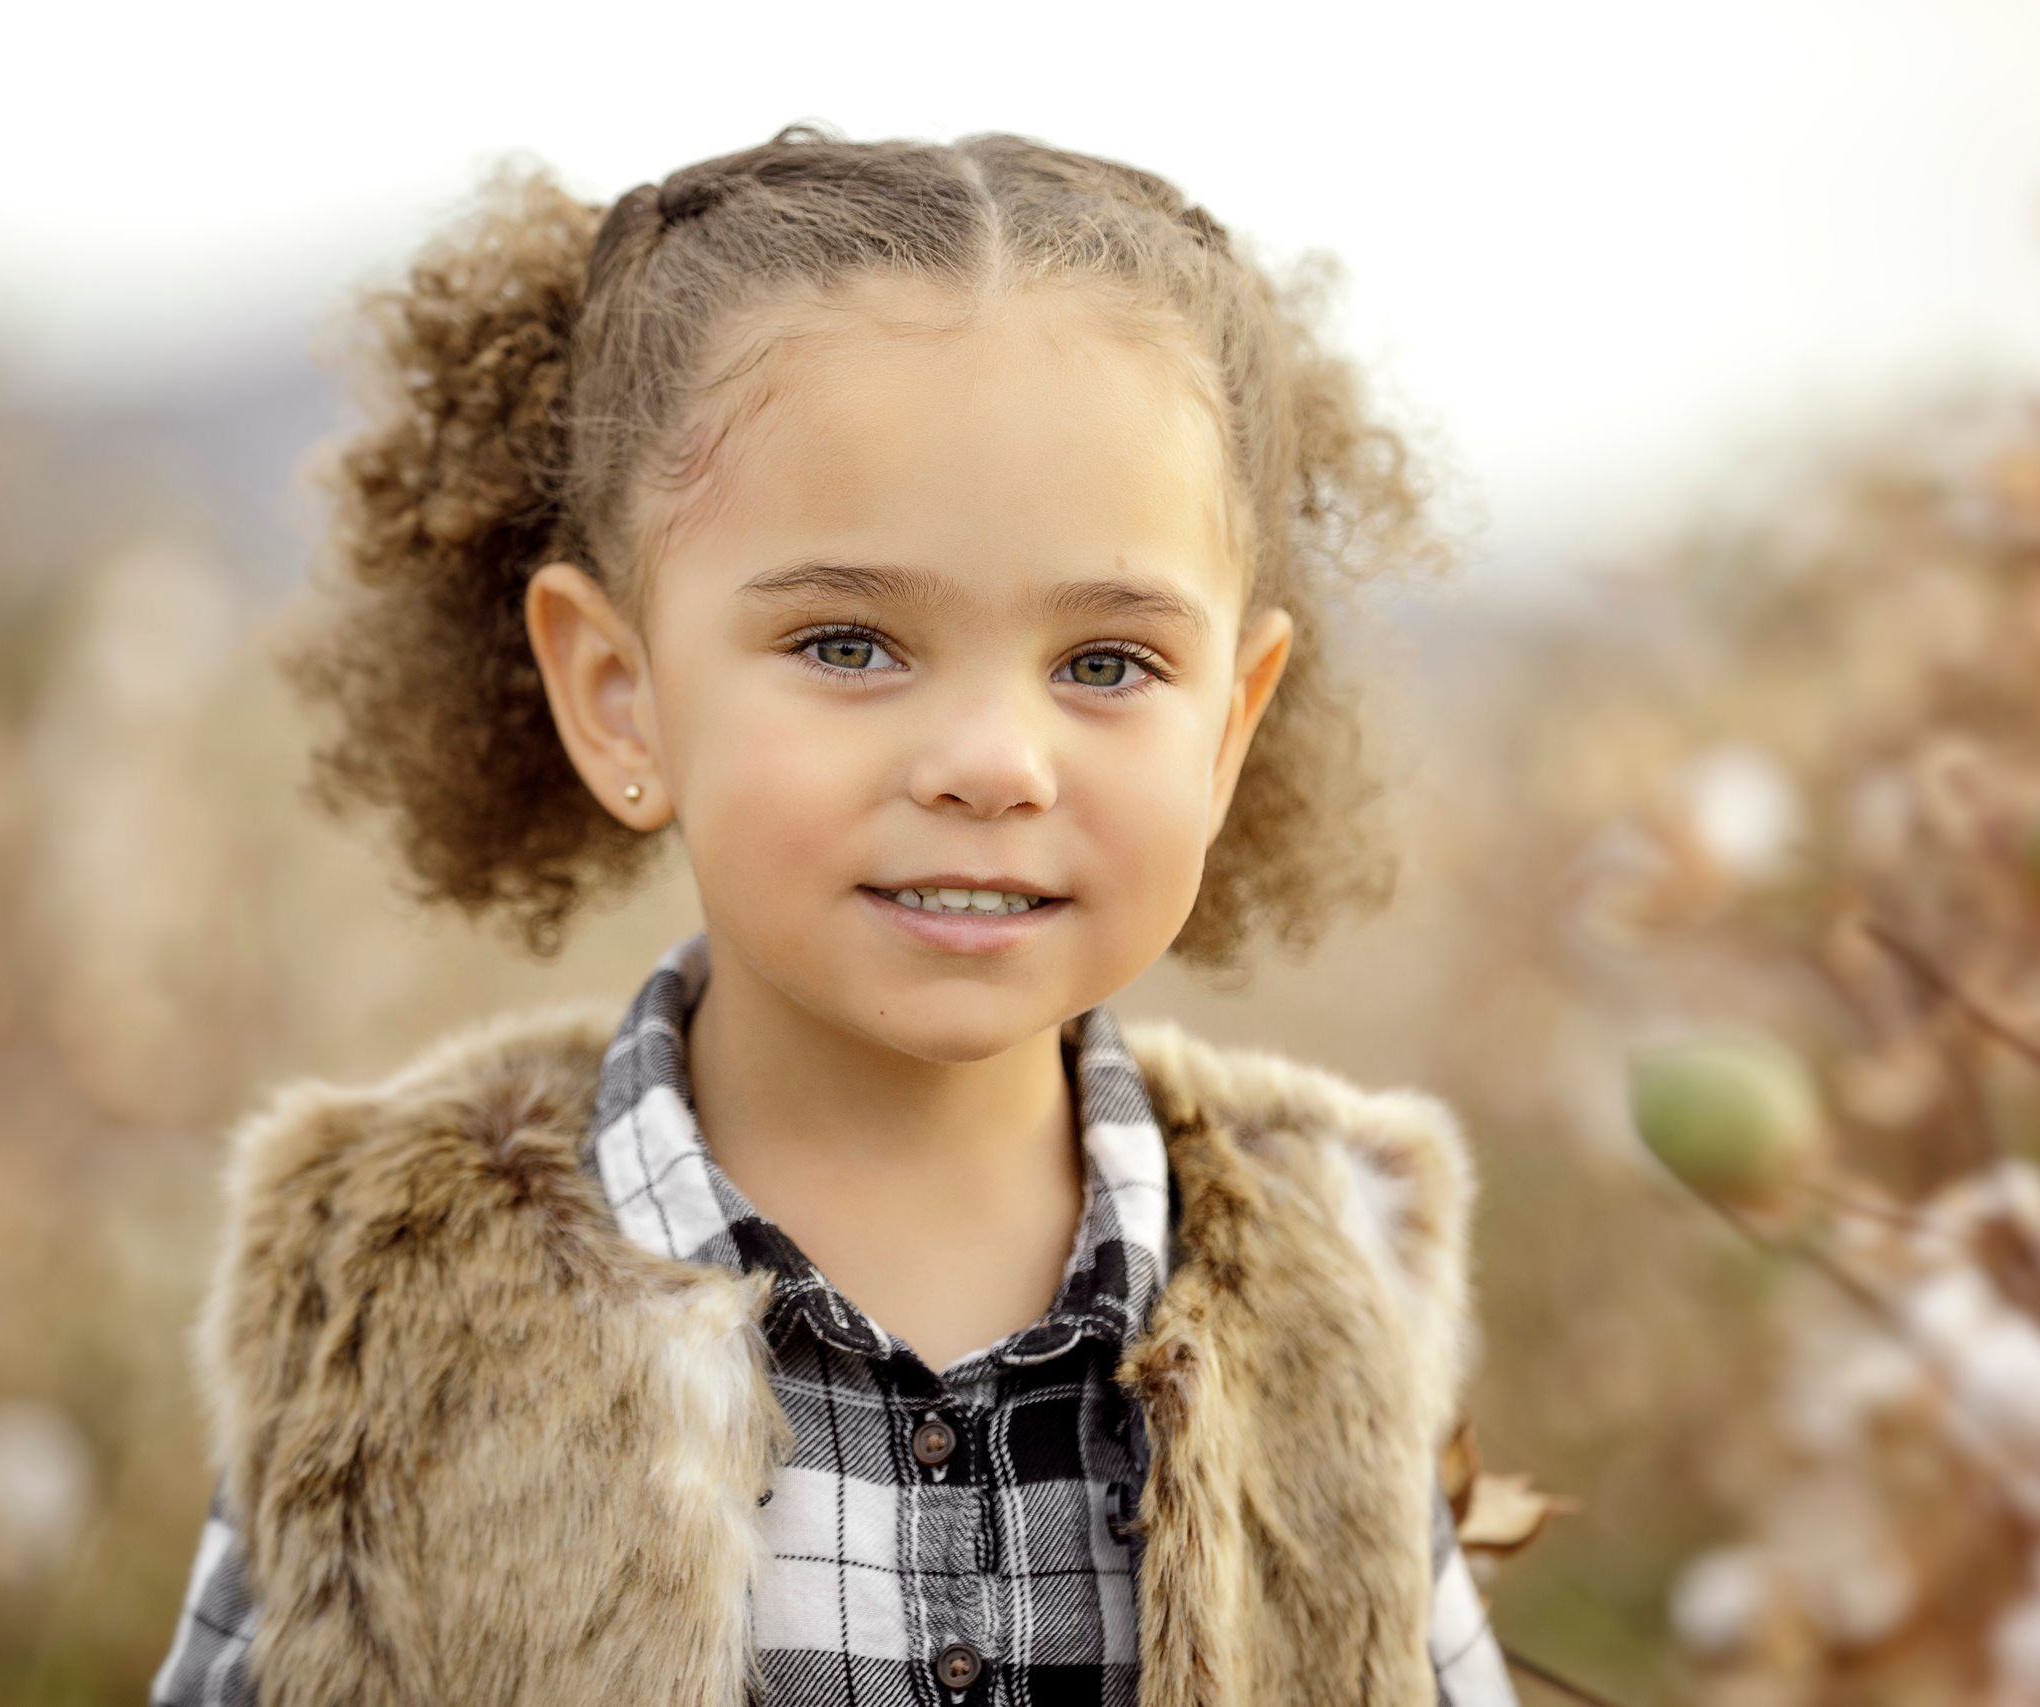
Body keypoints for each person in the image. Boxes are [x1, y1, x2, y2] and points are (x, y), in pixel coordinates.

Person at [150, 127, 1516, 1707]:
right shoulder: (385, 1301)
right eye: (851, 644)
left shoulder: (1328, 1281)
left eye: (1107, 664)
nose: (993, 765)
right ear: (621, 694)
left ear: (1228, 725)